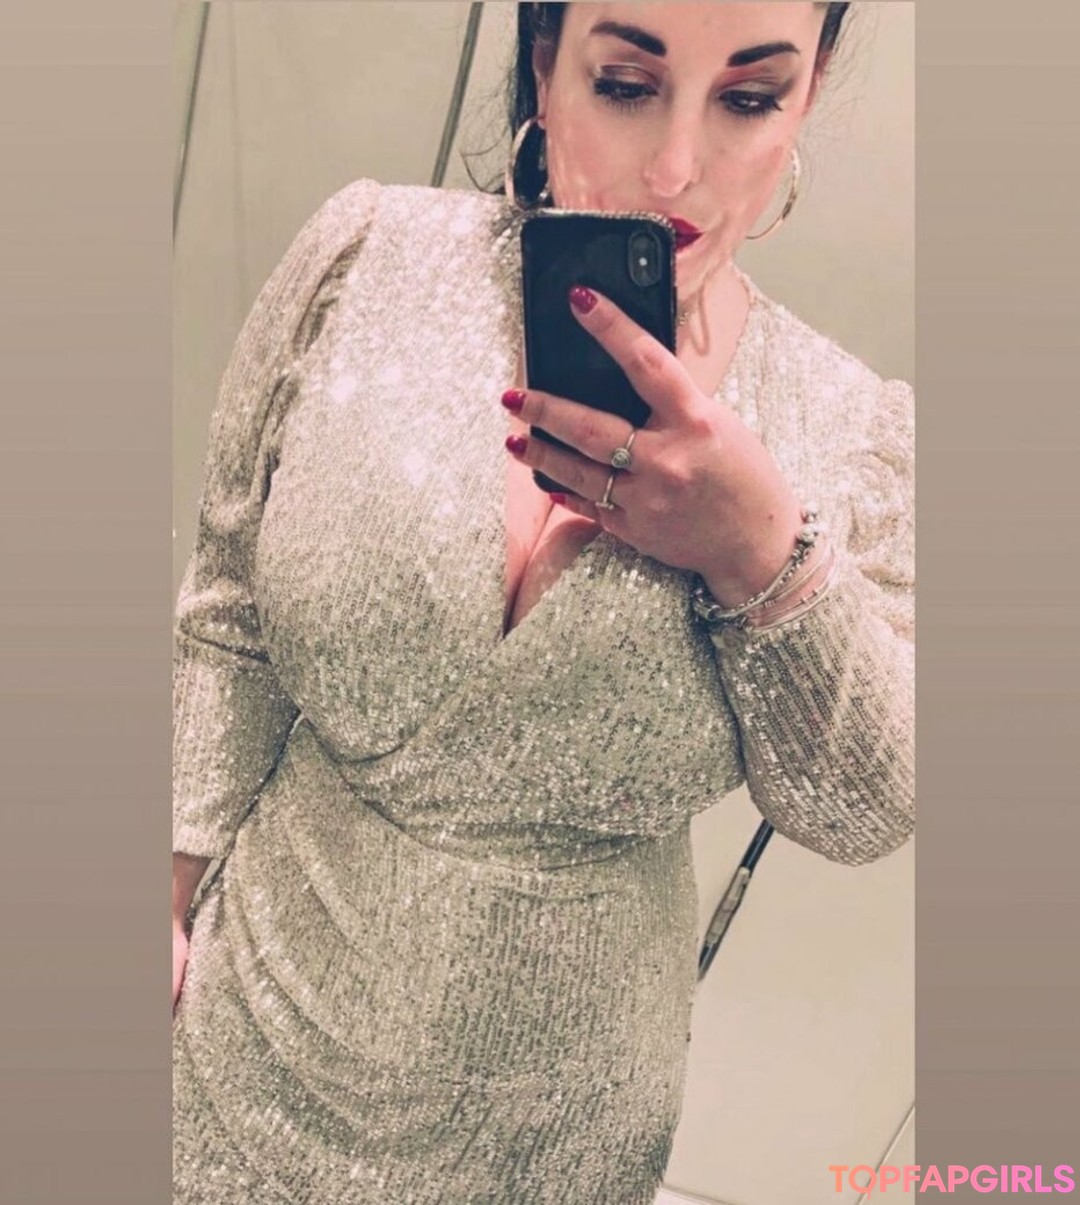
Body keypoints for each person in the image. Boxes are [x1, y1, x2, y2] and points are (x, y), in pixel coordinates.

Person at [172, 3, 914, 1201]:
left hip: (557, 1129)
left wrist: (757, 550)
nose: (675, 169)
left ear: (807, 98)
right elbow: (227, 615)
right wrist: (165, 894)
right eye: (625, 83)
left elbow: (866, 805)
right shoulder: (367, 258)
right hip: (254, 1032)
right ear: (544, 65)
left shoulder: (847, 426)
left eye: (747, 98)